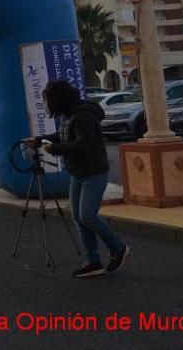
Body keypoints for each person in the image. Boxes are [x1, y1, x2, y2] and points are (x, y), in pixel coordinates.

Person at [39, 80, 129, 278]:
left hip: (93, 172)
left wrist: (53, 149)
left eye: (47, 100)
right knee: (79, 218)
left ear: (58, 99)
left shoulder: (82, 116)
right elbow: (63, 135)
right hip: (78, 172)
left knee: (87, 215)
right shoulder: (69, 115)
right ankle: (93, 261)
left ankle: (117, 247)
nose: (46, 105)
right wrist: (40, 139)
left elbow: (83, 145)